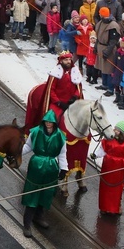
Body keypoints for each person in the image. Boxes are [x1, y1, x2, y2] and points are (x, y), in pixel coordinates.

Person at [21, 110, 68, 238]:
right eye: (46, 121)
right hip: (36, 166)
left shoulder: (60, 136)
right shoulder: (35, 132)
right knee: (32, 194)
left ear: (54, 123)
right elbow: (27, 146)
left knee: (45, 193)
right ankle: (26, 223)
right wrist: (16, 153)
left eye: (51, 122)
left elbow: (62, 154)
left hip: (51, 168)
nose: (48, 124)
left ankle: (38, 217)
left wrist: (63, 169)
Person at [92, 120, 124, 215]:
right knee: (105, 188)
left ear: (122, 132)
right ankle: (104, 207)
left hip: (118, 170)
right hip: (107, 167)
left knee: (116, 190)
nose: (115, 131)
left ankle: (115, 207)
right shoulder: (109, 139)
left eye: (117, 130)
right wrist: (95, 155)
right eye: (115, 129)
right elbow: (103, 150)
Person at [42, 51, 83, 121]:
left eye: (70, 59)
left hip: (72, 103)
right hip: (58, 103)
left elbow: (78, 87)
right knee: (51, 120)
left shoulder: (75, 71)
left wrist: (75, 96)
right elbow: (51, 90)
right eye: (66, 60)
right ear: (61, 61)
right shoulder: (55, 73)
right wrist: (58, 103)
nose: (68, 62)